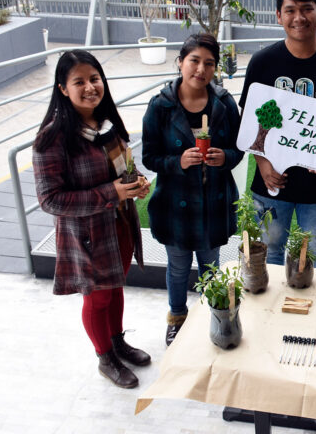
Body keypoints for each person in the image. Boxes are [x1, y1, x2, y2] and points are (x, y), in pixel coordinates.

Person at [33, 50, 152, 389]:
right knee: (97, 297)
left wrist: (137, 182)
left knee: (115, 289)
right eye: (79, 82)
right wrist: (111, 193)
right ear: (62, 89)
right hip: (87, 235)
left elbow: (125, 167)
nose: (90, 87)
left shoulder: (108, 125)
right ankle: (105, 357)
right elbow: (50, 200)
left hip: (120, 226)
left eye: (95, 78)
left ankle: (117, 341)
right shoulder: (51, 140)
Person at [239, 0, 316, 268]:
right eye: (290, 10)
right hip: (272, 179)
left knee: (313, 248)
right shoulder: (262, 62)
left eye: (307, 9)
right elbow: (249, 120)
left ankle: (315, 311)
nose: (299, 17)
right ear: (279, 15)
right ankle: (269, 312)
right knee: (267, 248)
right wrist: (263, 163)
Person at [142, 33, 243, 345]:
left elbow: (239, 148)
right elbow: (149, 157)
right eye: (194, 61)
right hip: (176, 204)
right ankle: (177, 317)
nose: (201, 69)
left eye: (209, 63)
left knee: (211, 266)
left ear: (215, 68)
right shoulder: (160, 106)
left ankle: (216, 317)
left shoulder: (224, 103)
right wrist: (178, 162)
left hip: (213, 202)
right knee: (177, 267)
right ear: (180, 62)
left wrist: (224, 156)